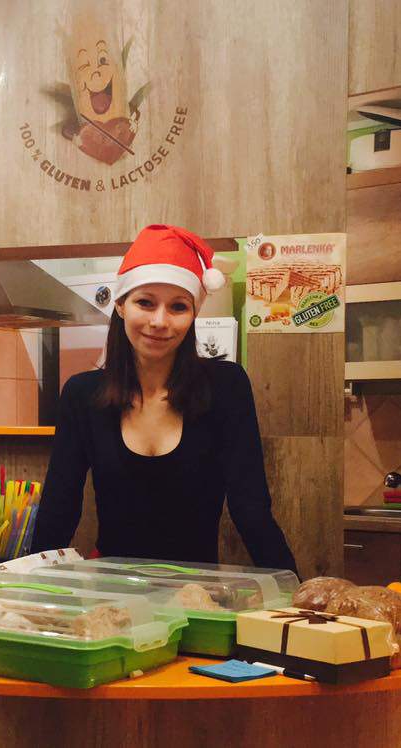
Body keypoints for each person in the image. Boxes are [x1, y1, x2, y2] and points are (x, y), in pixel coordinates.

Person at [31, 225, 297, 571]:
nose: (160, 321)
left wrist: (295, 590)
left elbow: (251, 510)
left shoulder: (225, 387)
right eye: (145, 302)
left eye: (178, 307)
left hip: (196, 591)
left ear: (193, 314)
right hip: (113, 591)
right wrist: (28, 587)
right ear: (121, 305)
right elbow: (59, 509)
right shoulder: (82, 395)